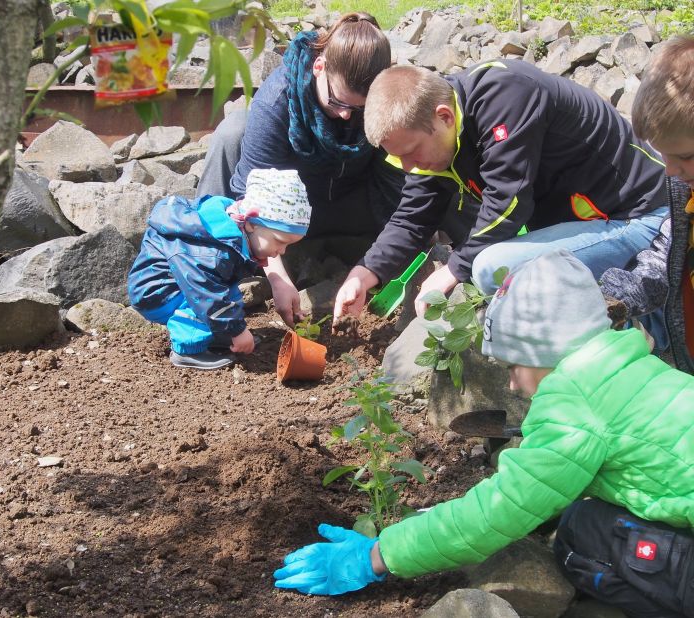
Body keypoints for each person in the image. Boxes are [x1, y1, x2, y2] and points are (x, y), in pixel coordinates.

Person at [275, 250, 694, 617]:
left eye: (513, 365)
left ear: (541, 353)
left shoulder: (573, 405)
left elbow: (498, 512)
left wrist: (377, 555)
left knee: (582, 538)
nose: (512, 384)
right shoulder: (639, 368)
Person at [332, 60, 668, 324]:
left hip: (638, 217)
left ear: (444, 117)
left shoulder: (507, 96)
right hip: (591, 222)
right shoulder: (440, 130)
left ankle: (636, 327)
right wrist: (365, 273)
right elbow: (413, 215)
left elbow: (508, 205)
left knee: (490, 267)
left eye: (411, 152)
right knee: (486, 264)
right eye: (398, 157)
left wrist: (453, 270)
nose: (407, 167)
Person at [197, 12, 405, 326]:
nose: (348, 117)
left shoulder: (382, 101)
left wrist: (380, 264)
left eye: (359, 108)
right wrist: (277, 278)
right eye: (338, 102)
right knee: (233, 130)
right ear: (319, 68)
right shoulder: (278, 98)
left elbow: (399, 189)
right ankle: (207, 266)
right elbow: (249, 196)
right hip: (284, 216)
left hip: (353, 208)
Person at [127, 168, 311, 370]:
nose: (282, 251)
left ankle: (217, 334)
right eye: (279, 241)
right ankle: (188, 349)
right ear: (250, 224)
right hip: (157, 292)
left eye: (288, 245)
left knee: (225, 293)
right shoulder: (211, 252)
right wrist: (237, 330)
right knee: (205, 299)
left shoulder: (230, 231)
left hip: (182, 283)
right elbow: (206, 293)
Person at [600, 34, 694, 368]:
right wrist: (613, 298)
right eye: (664, 155)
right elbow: (663, 262)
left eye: (684, 155)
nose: (669, 170)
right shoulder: (687, 192)